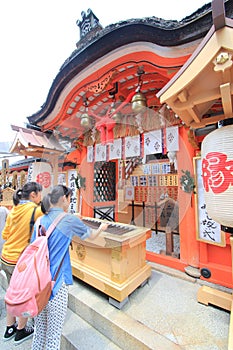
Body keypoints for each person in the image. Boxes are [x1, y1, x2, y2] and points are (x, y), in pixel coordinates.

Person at [31, 185, 109, 350]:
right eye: (70, 198)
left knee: (39, 332)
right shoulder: (68, 220)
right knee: (53, 336)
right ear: (64, 199)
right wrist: (101, 228)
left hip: (37, 284)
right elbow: (91, 236)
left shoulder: (39, 221)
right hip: (56, 285)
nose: (70, 201)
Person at [1, 181, 43, 345]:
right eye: (40, 193)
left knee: (12, 292)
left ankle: (9, 327)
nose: (41, 197)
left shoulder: (14, 210)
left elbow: (5, 235)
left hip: (5, 258)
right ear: (33, 195)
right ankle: (21, 330)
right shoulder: (35, 210)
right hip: (20, 261)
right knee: (24, 295)